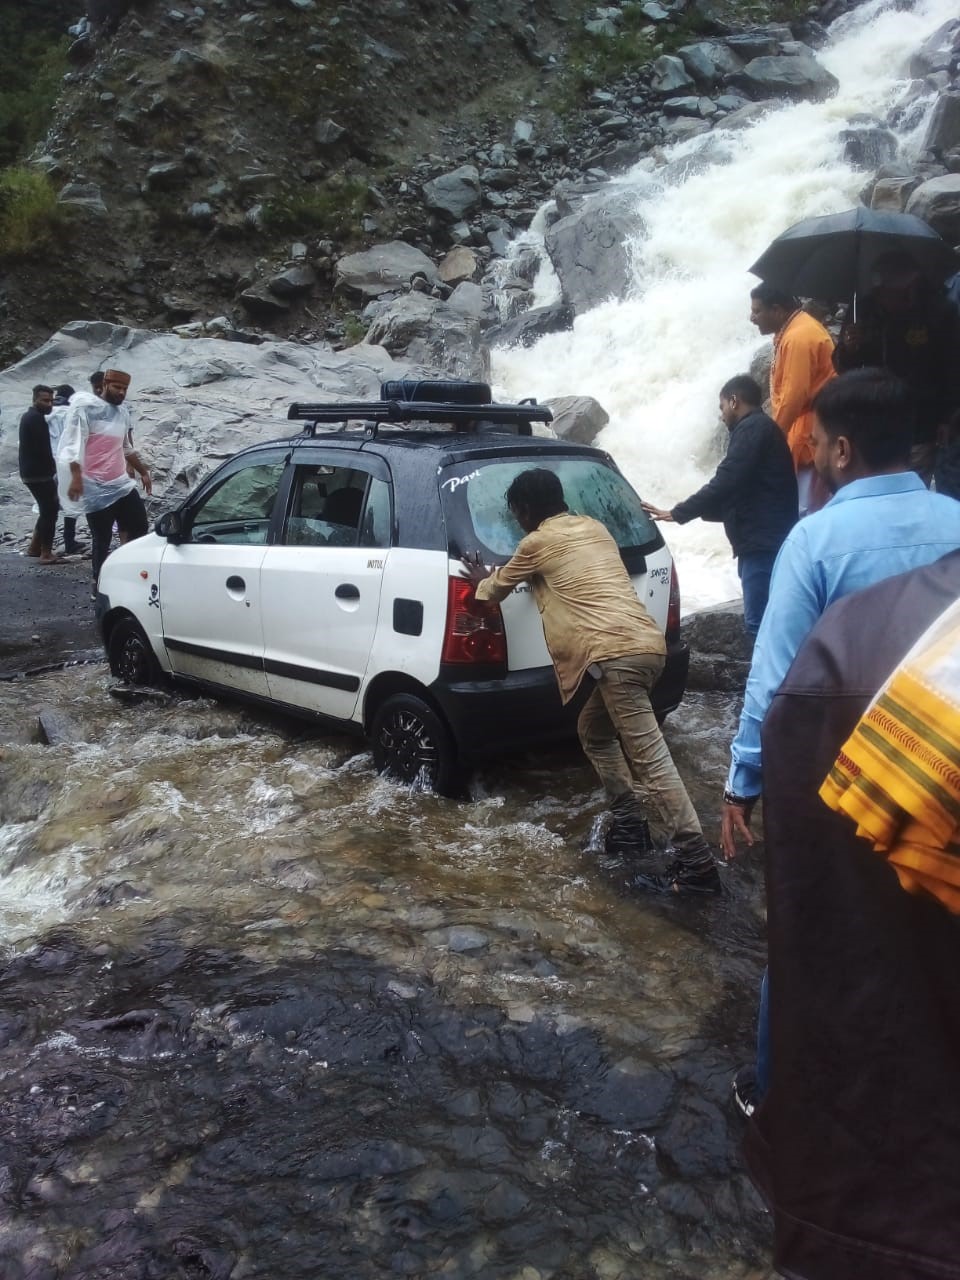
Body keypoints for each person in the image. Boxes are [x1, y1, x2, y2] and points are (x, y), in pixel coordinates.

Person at [721, 367, 960, 1115]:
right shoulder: (956, 520)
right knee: (929, 930)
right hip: (947, 764)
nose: (815, 454)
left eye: (818, 442)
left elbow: (777, 676)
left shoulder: (816, 541)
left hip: (844, 770)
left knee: (809, 928)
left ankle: (774, 1096)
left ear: (845, 449)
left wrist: (743, 782)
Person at [744, 550, 960, 1279]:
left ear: (836, 449)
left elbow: (811, 927)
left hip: (860, 1193)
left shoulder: (843, 625)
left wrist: (740, 781)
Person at [461, 467, 722, 895]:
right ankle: (629, 823)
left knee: (652, 761)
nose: (519, 523)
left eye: (516, 514)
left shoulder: (536, 542)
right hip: (648, 647)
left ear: (526, 510)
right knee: (594, 732)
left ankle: (697, 865)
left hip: (614, 657)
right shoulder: (595, 528)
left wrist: (478, 581)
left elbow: (491, 591)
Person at [642, 374, 797, 638]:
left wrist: (678, 513)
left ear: (734, 401)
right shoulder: (760, 428)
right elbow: (735, 490)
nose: (722, 415)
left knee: (759, 624)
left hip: (762, 543)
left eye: (722, 406)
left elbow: (726, 480)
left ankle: (768, 680)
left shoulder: (752, 429)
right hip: (765, 539)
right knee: (770, 621)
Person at [833, 250, 960, 483]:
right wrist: (849, 349)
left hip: (923, 420)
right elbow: (843, 368)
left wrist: (948, 417)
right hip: (874, 418)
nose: (898, 296)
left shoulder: (939, 311)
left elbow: (952, 367)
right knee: (877, 484)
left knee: (914, 482)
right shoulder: (863, 310)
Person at [57, 368, 153, 591]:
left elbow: (126, 448)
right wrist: (77, 478)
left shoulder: (122, 413)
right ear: (105, 385)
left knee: (139, 525)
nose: (121, 393)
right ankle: (99, 585)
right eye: (117, 387)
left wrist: (143, 471)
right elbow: (73, 446)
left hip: (120, 482)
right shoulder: (86, 409)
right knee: (102, 538)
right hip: (95, 486)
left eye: (125, 389)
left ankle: (128, 572)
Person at [750, 282, 836, 516]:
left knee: (806, 507)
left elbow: (794, 396)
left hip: (810, 430)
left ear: (777, 310)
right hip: (809, 427)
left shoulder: (798, 337)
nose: (752, 318)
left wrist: (774, 437)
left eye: (757, 311)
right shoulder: (792, 330)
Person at [18, 384, 65, 565]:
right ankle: (46, 553)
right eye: (45, 400)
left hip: (32, 472)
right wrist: (55, 467)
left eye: (51, 401)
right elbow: (42, 449)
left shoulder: (31, 416)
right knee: (50, 511)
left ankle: (34, 548)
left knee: (46, 510)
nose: (49, 404)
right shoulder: (35, 419)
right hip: (38, 474)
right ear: (35, 400)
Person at [47, 384, 87, 556]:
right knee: (70, 502)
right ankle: (69, 542)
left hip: (47, 464)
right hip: (65, 463)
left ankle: (41, 545)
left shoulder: (46, 413)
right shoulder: (68, 413)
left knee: (48, 507)